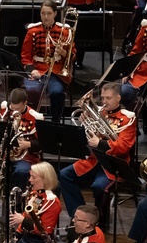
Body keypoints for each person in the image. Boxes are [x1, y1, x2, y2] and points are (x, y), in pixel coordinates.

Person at [57, 82, 137, 221]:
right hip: (94, 160)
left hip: (113, 165)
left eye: (108, 98)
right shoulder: (99, 113)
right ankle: (80, 216)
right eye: (102, 98)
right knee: (64, 175)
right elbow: (87, 137)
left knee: (99, 187)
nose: (104, 102)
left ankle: (100, 221)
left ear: (118, 98)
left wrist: (99, 143)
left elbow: (123, 146)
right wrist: (85, 122)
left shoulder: (128, 118)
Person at [21, 0, 75, 124]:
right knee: (31, 91)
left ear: (55, 14)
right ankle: (32, 123)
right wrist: (32, 70)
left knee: (57, 92)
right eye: (43, 13)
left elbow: (73, 55)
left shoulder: (65, 31)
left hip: (56, 72)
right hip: (37, 70)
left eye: (49, 13)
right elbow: (25, 56)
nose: (45, 17)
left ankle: (55, 123)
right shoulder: (32, 31)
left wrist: (63, 53)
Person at [122, 11, 147, 142]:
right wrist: (128, 71)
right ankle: (133, 126)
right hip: (143, 70)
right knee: (125, 92)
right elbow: (136, 51)